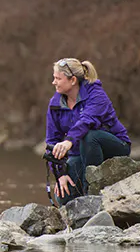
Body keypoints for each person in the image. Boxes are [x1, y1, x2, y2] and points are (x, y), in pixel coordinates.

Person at [45, 58, 131, 205]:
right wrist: (61, 174)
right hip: (81, 153)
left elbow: (86, 121)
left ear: (72, 80)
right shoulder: (55, 104)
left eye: (58, 78)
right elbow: (52, 141)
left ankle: (92, 193)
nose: (54, 82)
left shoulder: (96, 94)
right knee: (63, 197)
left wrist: (68, 141)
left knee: (89, 136)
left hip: (115, 145)